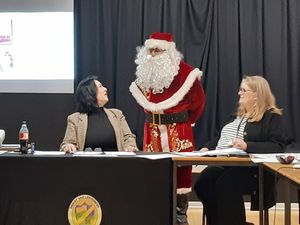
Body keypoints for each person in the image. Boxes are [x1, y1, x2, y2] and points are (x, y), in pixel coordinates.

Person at [129, 32, 206, 225]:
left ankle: (180, 220)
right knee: (154, 178)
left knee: (180, 180)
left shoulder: (187, 74)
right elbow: (142, 102)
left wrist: (187, 123)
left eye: (158, 50)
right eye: (151, 50)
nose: (153, 54)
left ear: (169, 52)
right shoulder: (145, 75)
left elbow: (199, 103)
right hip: (152, 133)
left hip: (179, 131)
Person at [194, 75, 288, 225]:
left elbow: (278, 146)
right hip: (225, 165)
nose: (239, 93)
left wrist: (247, 146)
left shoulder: (270, 117)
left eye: (244, 90)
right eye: (240, 90)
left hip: (253, 170)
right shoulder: (235, 116)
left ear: (257, 95)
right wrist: (206, 147)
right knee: (204, 182)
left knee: (226, 184)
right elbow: (220, 137)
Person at [61, 75, 137, 152]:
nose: (105, 89)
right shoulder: (74, 119)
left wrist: (130, 146)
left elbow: (128, 137)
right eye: (100, 86)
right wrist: (68, 146)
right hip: (86, 163)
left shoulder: (117, 114)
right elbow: (67, 143)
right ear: (90, 92)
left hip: (116, 162)